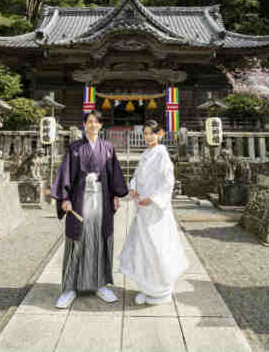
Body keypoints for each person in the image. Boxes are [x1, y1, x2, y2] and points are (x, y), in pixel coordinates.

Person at [50, 109, 129, 308]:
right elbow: (66, 173)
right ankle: (69, 288)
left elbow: (114, 174)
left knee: (100, 239)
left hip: (101, 200)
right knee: (77, 240)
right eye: (89, 122)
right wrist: (64, 198)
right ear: (85, 124)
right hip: (79, 199)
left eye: (96, 122)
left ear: (101, 125)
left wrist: (116, 195)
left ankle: (100, 284)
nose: (93, 125)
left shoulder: (108, 148)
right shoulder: (75, 147)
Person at [118, 119, 188, 305]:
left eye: (152, 133)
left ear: (160, 134)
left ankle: (161, 290)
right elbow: (136, 175)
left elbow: (167, 182)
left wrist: (155, 199)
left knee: (157, 246)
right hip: (143, 206)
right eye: (146, 133)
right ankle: (148, 287)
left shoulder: (162, 155)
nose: (149, 137)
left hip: (156, 210)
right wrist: (132, 188)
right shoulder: (146, 153)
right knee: (143, 247)